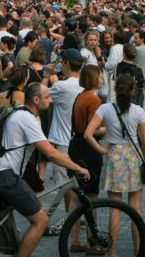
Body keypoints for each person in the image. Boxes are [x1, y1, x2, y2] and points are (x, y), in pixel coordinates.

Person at [0, 81, 90, 257]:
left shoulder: (16, 111)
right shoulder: (27, 119)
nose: (51, 100)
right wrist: (78, 168)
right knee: (41, 220)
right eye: (47, 97)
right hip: (4, 176)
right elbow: (50, 153)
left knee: (3, 221)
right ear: (36, 100)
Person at [84, 74, 145, 257]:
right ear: (133, 91)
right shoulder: (139, 111)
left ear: (116, 90)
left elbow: (88, 134)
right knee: (136, 209)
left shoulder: (105, 108)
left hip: (114, 157)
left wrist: (102, 151)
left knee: (115, 208)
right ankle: (138, 250)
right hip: (134, 158)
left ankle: (112, 251)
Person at [65, 64, 105, 253]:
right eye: (100, 76)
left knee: (75, 194)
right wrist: (111, 129)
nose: (102, 79)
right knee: (92, 196)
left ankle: (75, 240)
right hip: (89, 147)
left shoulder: (79, 97)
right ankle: (92, 240)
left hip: (76, 144)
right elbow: (94, 129)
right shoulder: (94, 100)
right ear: (94, 79)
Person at [46, 48, 85, 224]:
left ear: (67, 64)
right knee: (76, 182)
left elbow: (43, 100)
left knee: (65, 184)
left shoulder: (62, 86)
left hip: (63, 140)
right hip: (81, 139)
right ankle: (78, 218)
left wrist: (50, 76)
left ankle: (71, 219)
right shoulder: (86, 84)